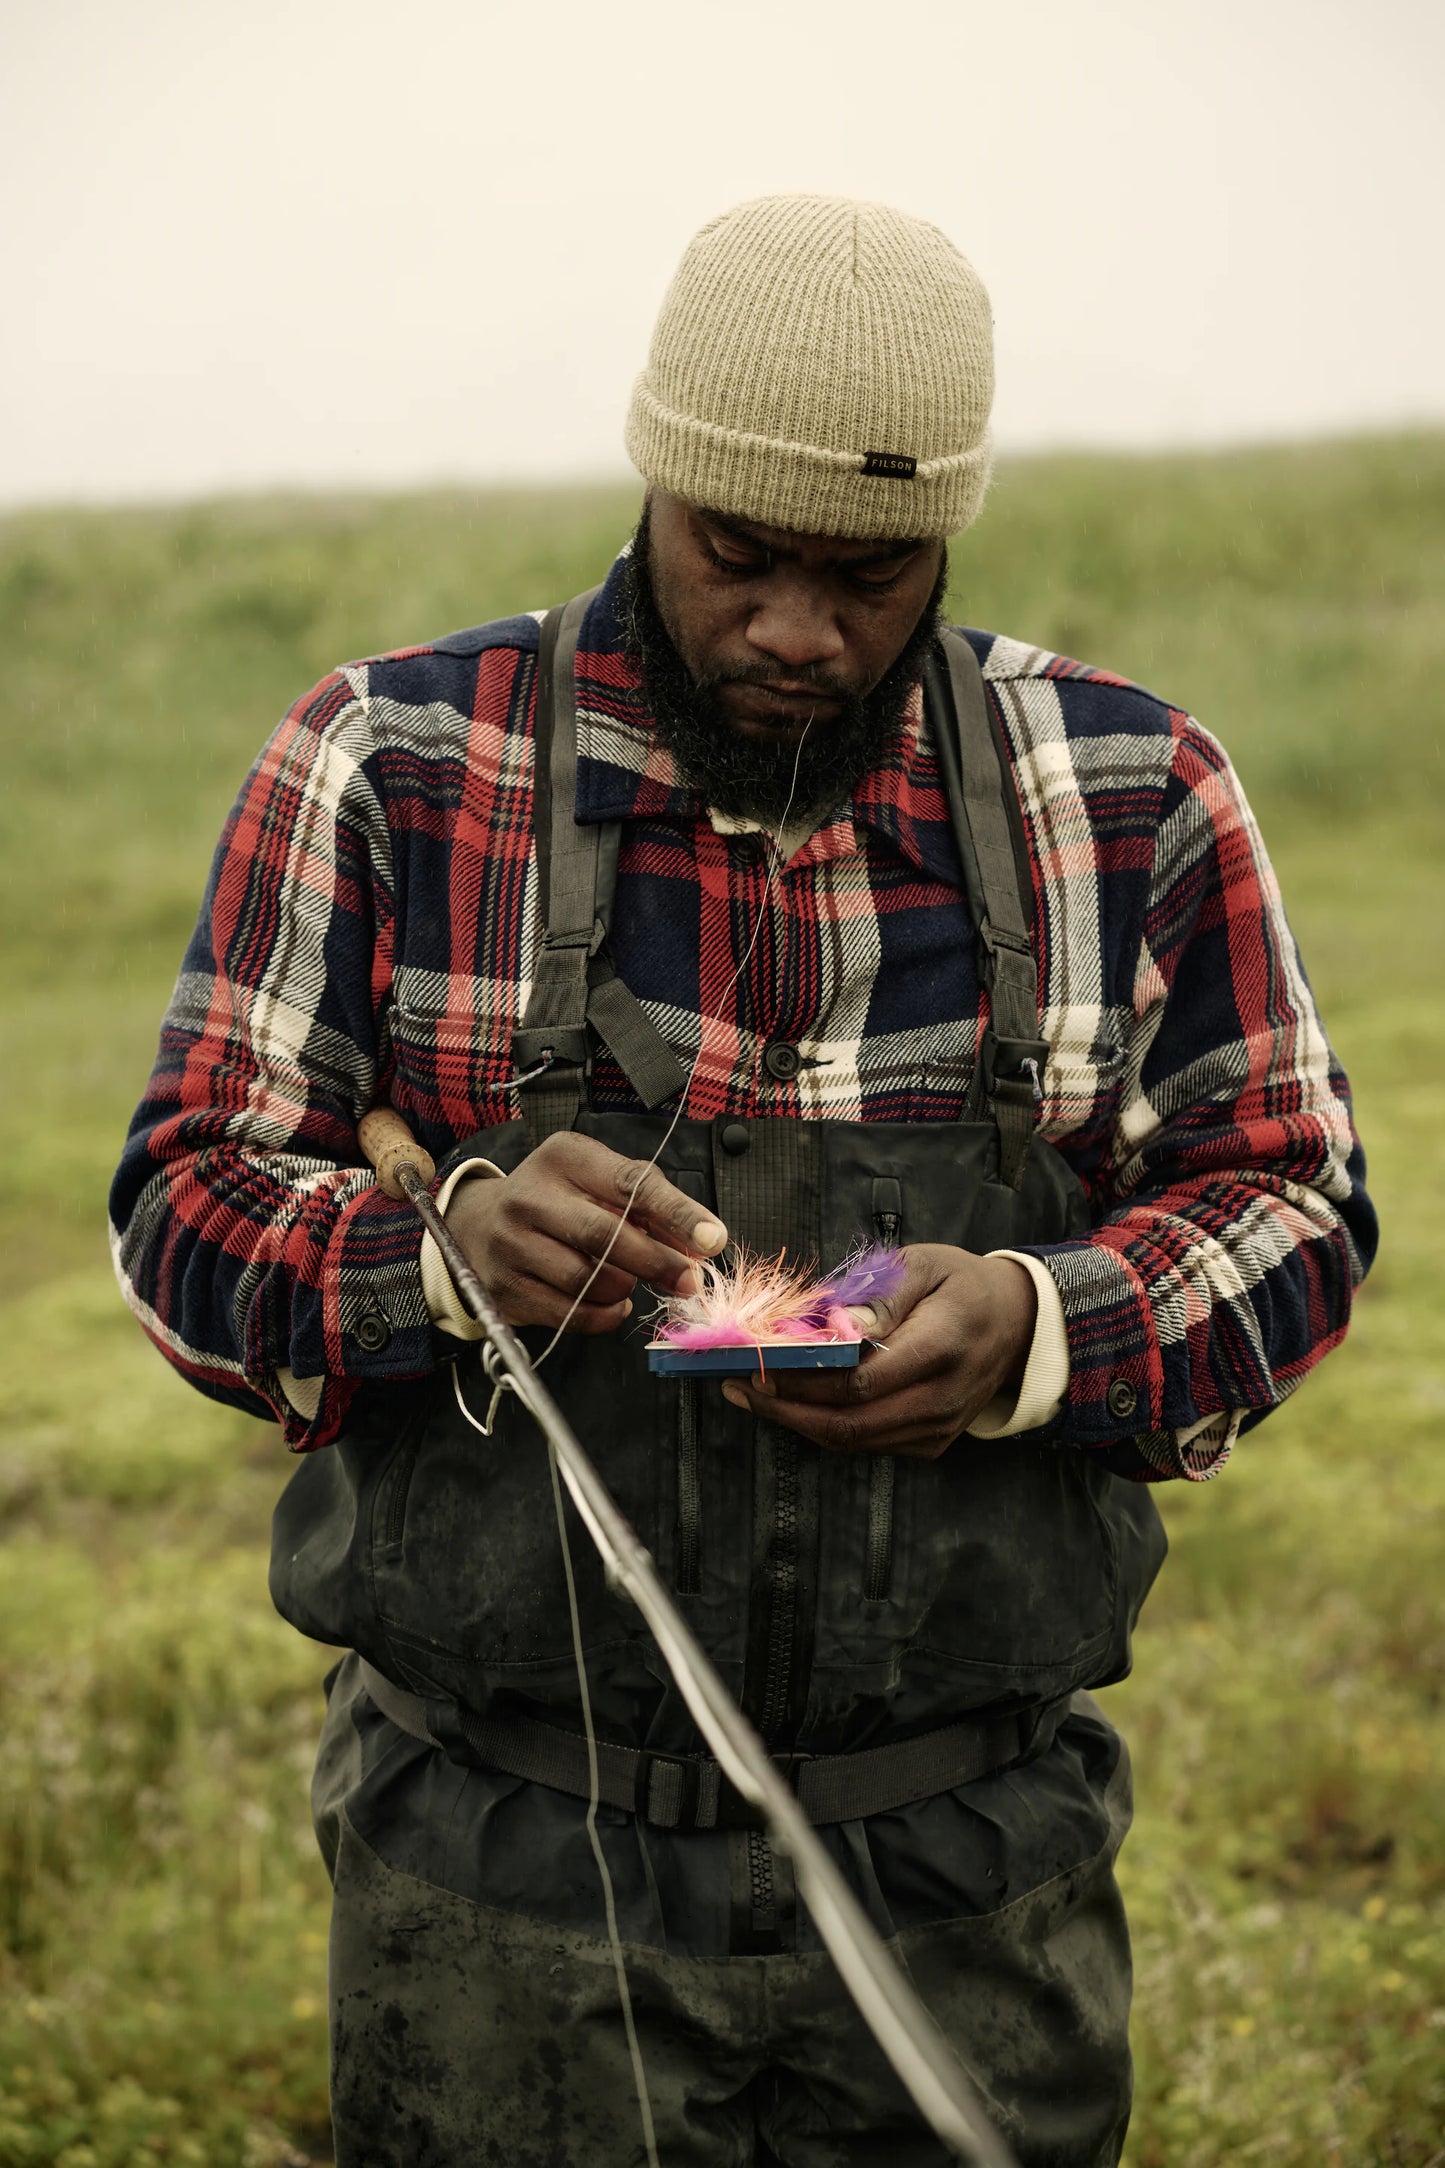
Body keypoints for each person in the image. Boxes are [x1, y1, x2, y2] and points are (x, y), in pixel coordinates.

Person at [110, 194, 1376, 2168]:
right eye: (740, 556)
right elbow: (180, 1206)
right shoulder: (392, 761)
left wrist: (1046, 1325)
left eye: (871, 573)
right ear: (656, 478)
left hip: (973, 1875)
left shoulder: (1129, 790)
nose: (798, 631)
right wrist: (431, 1254)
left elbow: (1297, 1209)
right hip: (503, 1877)